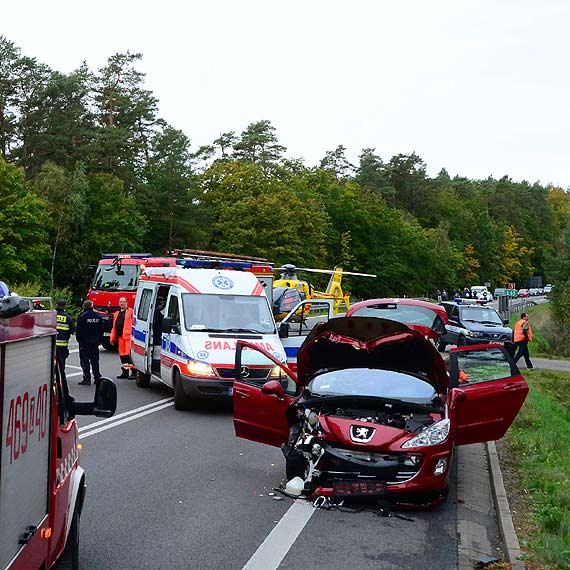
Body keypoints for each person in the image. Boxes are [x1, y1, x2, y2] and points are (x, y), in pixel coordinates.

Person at [76, 300, 104, 386]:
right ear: (92, 306)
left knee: (85, 361)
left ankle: (87, 378)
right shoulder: (98, 316)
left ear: (84, 306)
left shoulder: (82, 316)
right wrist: (99, 340)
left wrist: (79, 340)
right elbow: (101, 329)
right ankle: (97, 377)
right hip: (95, 342)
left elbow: (78, 330)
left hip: (84, 342)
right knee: (95, 360)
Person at [111, 296, 135, 378]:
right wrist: (112, 338)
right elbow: (114, 327)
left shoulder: (131, 312)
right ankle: (125, 372)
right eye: (120, 302)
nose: (122, 303)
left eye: (123, 302)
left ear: (126, 303)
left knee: (129, 355)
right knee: (122, 355)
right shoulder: (117, 313)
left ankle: (133, 372)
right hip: (120, 337)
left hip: (128, 337)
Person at [56, 299, 75, 370]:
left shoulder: (52, 315)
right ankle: (61, 378)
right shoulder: (68, 318)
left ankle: (53, 377)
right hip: (63, 344)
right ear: (65, 306)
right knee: (61, 362)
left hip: (52, 344)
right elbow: (72, 330)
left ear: (57, 305)